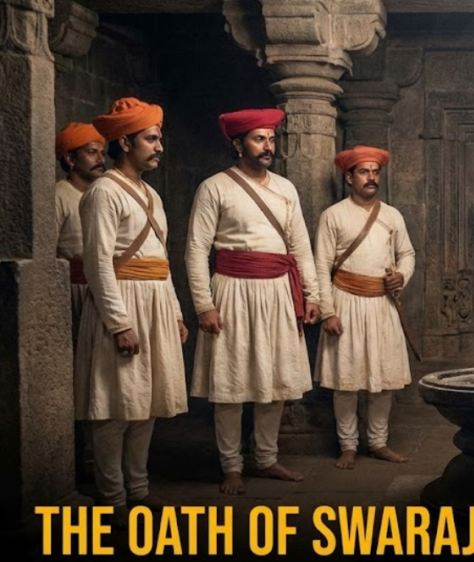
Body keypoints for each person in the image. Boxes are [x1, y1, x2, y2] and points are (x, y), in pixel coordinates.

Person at [186, 108, 320, 495]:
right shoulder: (215, 187)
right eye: (259, 139)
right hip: (232, 290)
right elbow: (196, 250)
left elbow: (300, 247)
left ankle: (265, 458)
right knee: (230, 382)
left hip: (278, 291)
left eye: (271, 139)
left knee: (273, 379)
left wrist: (312, 294)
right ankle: (231, 465)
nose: (267, 147)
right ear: (237, 143)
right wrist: (204, 304)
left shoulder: (286, 188)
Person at [77, 97, 189, 525]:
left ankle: (138, 490)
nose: (159, 147)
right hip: (123, 303)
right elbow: (97, 263)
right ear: (124, 142)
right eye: (151, 139)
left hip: (155, 303)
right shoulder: (104, 192)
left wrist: (175, 312)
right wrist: (118, 322)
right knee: (116, 406)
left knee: (146, 404)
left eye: (159, 139)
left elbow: (162, 261)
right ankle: (113, 499)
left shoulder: (152, 195)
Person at [314, 145, 415, 469]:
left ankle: (378, 443)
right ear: (349, 178)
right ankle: (348, 446)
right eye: (363, 172)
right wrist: (328, 311)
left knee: (383, 380)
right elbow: (321, 265)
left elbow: (407, 254)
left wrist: (401, 275)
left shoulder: (392, 215)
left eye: (375, 172)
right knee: (345, 381)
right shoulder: (333, 215)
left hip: (382, 305)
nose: (371, 177)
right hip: (345, 302)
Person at [55, 121, 107, 323]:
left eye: (102, 153)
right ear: (70, 159)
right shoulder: (59, 195)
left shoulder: (104, 194)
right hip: (73, 292)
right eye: (92, 152)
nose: (101, 159)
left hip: (105, 290)